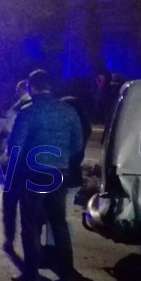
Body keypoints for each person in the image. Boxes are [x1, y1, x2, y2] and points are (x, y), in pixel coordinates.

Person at [8, 70, 84, 281]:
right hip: (60, 173)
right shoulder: (68, 110)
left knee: (31, 224)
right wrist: (61, 159)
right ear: (50, 86)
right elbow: (77, 144)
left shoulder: (28, 111)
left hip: (33, 174)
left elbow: (15, 145)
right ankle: (67, 276)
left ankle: (32, 276)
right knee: (59, 223)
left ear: (31, 88)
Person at [44, 95, 92, 248]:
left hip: (63, 178)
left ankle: (56, 249)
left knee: (57, 217)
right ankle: (58, 248)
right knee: (62, 217)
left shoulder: (68, 130)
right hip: (73, 178)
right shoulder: (82, 127)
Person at [0, 80, 32, 252]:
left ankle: (9, 239)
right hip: (37, 163)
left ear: (21, 90)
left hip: (17, 161)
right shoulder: (41, 107)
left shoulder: (18, 108)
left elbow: (6, 132)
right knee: (30, 204)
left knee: (10, 200)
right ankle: (33, 244)